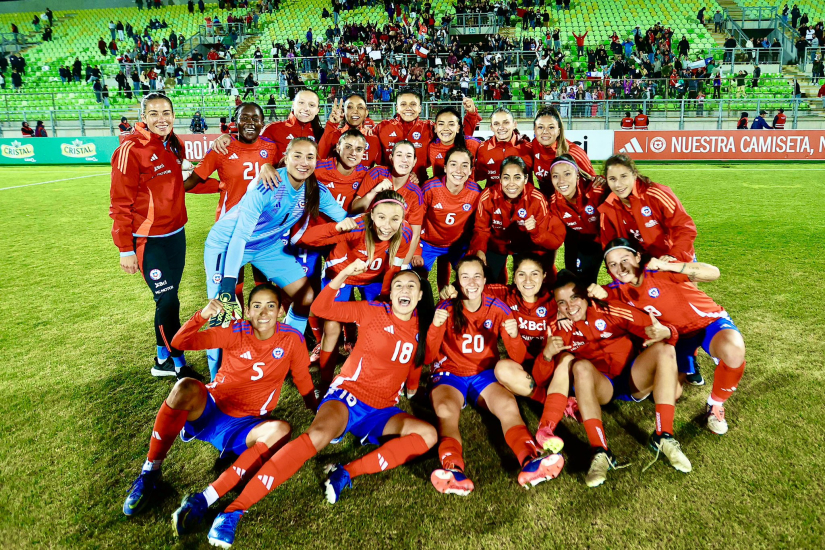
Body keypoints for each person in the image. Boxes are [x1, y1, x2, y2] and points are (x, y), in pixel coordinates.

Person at [204, 263, 437, 547]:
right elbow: (324, 307)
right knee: (314, 438)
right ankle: (233, 511)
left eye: (411, 286)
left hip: (384, 410)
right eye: (399, 285)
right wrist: (343, 274)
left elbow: (421, 358)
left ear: (421, 295)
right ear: (390, 294)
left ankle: (347, 471)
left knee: (428, 435)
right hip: (349, 397)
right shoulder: (372, 311)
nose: (404, 290)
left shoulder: (422, 325)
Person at [122, 285, 317, 526]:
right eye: (257, 306)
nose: (264, 312)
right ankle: (150, 472)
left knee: (281, 430)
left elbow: (301, 376)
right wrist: (201, 316)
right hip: (212, 408)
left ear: (280, 311)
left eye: (271, 306)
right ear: (247, 311)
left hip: (247, 423)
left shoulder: (291, 339)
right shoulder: (235, 331)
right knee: (184, 386)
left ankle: (204, 500)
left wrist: (314, 406)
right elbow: (179, 342)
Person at [523, 270, 689, 487]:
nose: (569, 306)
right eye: (562, 302)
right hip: (602, 386)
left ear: (586, 295)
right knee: (580, 366)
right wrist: (546, 354)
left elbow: (658, 331)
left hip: (633, 377)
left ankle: (663, 437)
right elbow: (540, 379)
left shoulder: (611, 309)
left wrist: (669, 335)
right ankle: (601, 452)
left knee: (665, 350)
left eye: (574, 298)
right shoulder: (557, 328)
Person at [426, 255, 564, 496]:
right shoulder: (446, 307)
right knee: (447, 412)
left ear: (485, 279)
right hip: (449, 373)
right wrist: (435, 327)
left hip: (484, 374)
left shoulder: (498, 307)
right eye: (465, 276)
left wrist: (512, 335)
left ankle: (530, 460)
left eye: (477, 276)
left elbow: (518, 357)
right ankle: (453, 469)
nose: (471, 282)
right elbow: (427, 357)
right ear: (457, 281)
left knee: (508, 406)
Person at [595, 238, 746, 435]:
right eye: (613, 264)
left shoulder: (660, 271)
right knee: (670, 394)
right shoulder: (614, 292)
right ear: (608, 270)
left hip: (708, 323)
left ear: (638, 257)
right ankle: (692, 357)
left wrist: (669, 265)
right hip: (677, 337)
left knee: (733, 351)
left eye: (625, 259)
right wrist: (591, 291)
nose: (621, 268)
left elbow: (713, 273)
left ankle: (715, 405)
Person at [204, 138, 347, 340]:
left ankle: (287, 348)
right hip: (227, 244)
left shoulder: (316, 191)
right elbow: (240, 236)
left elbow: (345, 218)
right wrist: (228, 284)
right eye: (297, 156)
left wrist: (378, 218)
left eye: (310, 157)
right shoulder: (266, 186)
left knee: (305, 296)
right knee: (221, 312)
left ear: (317, 161)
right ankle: (218, 372)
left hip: (267, 247)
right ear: (286, 159)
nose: (303, 162)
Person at [109, 93, 200, 379]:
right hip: (148, 240)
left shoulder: (174, 143)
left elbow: (179, 186)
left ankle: (161, 360)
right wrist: (125, 249)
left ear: (174, 115)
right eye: (154, 114)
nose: (162, 119)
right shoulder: (130, 150)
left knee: (167, 301)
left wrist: (223, 184)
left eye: (167, 113)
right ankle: (178, 363)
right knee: (169, 300)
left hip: (176, 235)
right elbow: (119, 204)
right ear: (144, 117)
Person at [299, 190, 413, 392]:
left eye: (395, 219)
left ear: (403, 219)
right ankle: (326, 384)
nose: (387, 226)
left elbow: (392, 271)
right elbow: (307, 239)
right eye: (381, 217)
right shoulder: (358, 227)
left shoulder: (404, 233)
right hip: (342, 275)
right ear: (371, 215)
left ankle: (378, 376)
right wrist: (336, 227)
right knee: (332, 327)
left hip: (374, 279)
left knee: (385, 323)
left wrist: (384, 301)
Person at [470, 156, 565, 283]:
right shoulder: (487, 196)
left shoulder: (537, 199)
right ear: (500, 179)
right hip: (496, 245)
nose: (511, 183)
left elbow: (548, 240)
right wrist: (480, 251)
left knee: (529, 283)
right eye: (506, 177)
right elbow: (481, 230)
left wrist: (535, 231)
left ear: (526, 179)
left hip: (526, 246)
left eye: (517, 177)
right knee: (486, 280)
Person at [598, 154, 697, 263]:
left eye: (624, 176)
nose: (618, 184)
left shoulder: (656, 194)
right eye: (612, 179)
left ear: (634, 175)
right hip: (643, 265)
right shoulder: (607, 208)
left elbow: (684, 227)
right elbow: (611, 248)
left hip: (673, 257)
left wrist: (675, 256)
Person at [374, 88, 481, 184]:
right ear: (397, 108)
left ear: (420, 108)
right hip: (389, 185)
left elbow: (456, 134)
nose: (408, 108)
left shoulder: (428, 127)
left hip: (419, 185)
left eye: (413, 104)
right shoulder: (382, 127)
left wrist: (471, 114)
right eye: (403, 104)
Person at [352, 141, 425, 269]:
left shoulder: (415, 193)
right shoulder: (377, 173)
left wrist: (403, 266)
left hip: (391, 243)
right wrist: (374, 191)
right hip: (364, 237)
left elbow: (414, 234)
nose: (404, 160)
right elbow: (354, 208)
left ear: (414, 161)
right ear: (391, 158)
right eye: (399, 155)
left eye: (408, 156)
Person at [417, 147, 482, 289]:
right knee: (416, 279)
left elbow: (479, 227)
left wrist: (474, 250)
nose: (459, 170)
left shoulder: (475, 192)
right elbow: (415, 221)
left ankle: (453, 307)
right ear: (445, 168)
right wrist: (416, 250)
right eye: (453, 164)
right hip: (428, 243)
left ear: (471, 170)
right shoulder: (430, 188)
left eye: (464, 165)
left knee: (470, 277)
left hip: (457, 245)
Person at [547, 155, 606, 285]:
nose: (561, 181)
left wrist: (606, 181)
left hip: (610, 238)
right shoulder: (554, 203)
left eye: (567, 174)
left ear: (577, 175)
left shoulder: (597, 189)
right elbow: (555, 235)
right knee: (580, 281)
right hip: (586, 241)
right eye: (555, 176)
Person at [531, 107, 596, 200]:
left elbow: (595, 184)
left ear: (559, 131)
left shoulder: (574, 153)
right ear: (534, 130)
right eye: (540, 127)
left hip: (572, 208)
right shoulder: (533, 146)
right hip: (549, 207)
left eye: (551, 127)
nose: (545, 131)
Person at [474, 106, 533, 186]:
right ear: (491, 127)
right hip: (494, 198)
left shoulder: (528, 147)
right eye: (496, 124)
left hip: (523, 198)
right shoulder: (483, 149)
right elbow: (475, 176)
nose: (501, 127)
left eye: (506, 122)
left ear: (514, 124)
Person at [318, 93, 382, 168]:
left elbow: (385, 167)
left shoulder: (373, 139)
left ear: (366, 113)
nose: (355, 111)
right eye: (350, 107)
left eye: (360, 107)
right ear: (343, 111)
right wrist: (331, 124)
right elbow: (318, 159)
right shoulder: (334, 135)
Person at [427, 106, 483, 179]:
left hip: (467, 189)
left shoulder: (472, 144)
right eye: (441, 124)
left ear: (458, 128)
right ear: (435, 128)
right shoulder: (431, 147)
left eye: (451, 124)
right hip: (440, 189)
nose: (446, 128)